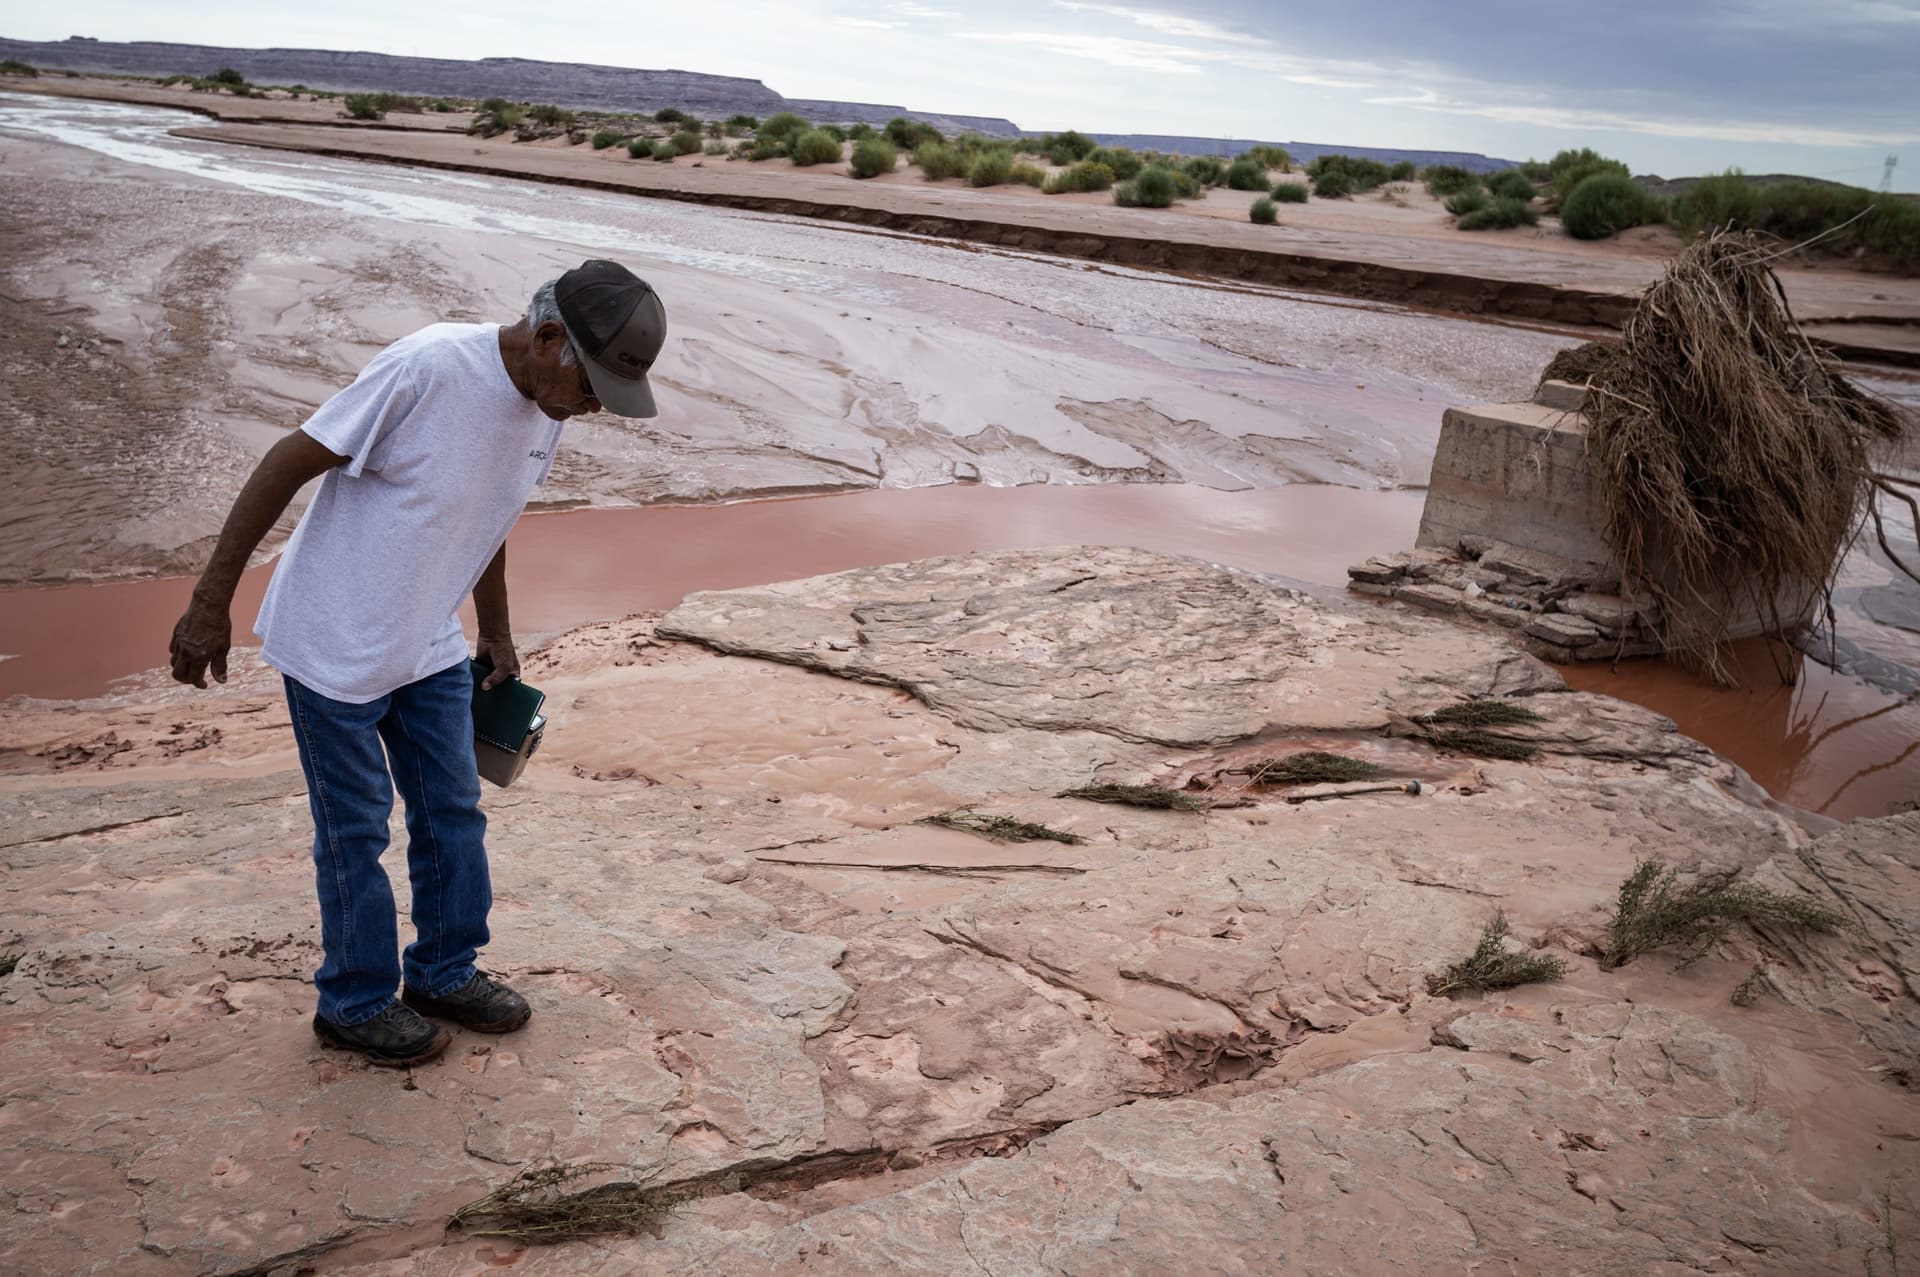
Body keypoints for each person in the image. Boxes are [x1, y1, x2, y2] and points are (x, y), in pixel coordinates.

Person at [168, 260, 667, 1066]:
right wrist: (208, 601)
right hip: (335, 641)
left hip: (426, 640)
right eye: (595, 384)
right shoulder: (427, 367)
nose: (597, 407)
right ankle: (354, 1000)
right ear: (548, 340)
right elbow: (286, 462)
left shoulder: (549, 402)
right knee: (355, 829)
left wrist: (494, 629)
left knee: (452, 810)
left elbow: (487, 509)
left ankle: (443, 972)